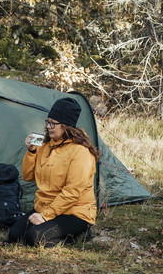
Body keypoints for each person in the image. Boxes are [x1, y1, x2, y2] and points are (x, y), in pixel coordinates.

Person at [7, 96, 100, 247]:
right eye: (48, 122)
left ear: (66, 125)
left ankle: (79, 235)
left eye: (53, 123)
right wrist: (31, 152)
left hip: (75, 212)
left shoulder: (80, 152)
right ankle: (48, 229)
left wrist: (45, 216)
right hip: (45, 206)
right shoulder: (46, 146)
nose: (49, 126)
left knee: (34, 237)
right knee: (15, 235)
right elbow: (28, 176)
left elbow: (73, 191)